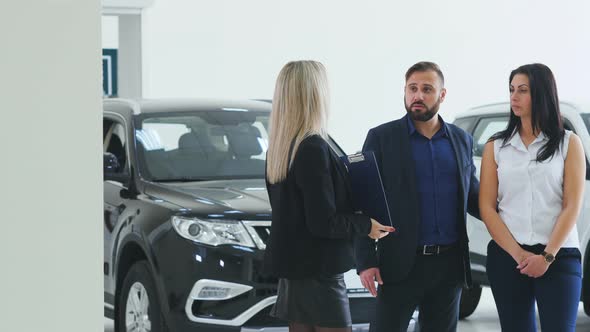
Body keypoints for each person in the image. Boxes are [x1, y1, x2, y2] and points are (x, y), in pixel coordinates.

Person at [264, 60, 395, 332]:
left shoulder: (280, 148)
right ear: (315, 94)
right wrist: (366, 226)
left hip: (295, 271)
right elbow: (323, 222)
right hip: (319, 271)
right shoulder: (312, 147)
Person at [355, 61, 480, 332]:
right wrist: (365, 261)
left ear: (442, 95)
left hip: (448, 268)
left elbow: (474, 197)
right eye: (412, 88)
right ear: (405, 91)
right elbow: (362, 201)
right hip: (399, 264)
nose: (418, 96)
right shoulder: (381, 138)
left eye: (427, 89)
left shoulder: (461, 140)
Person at [479, 63, 585, 332]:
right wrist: (519, 255)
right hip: (508, 259)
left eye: (522, 90)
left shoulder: (568, 143)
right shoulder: (496, 146)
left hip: (559, 258)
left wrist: (546, 256)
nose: (513, 97)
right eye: (512, 90)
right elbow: (487, 208)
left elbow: (572, 205)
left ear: (542, 94)